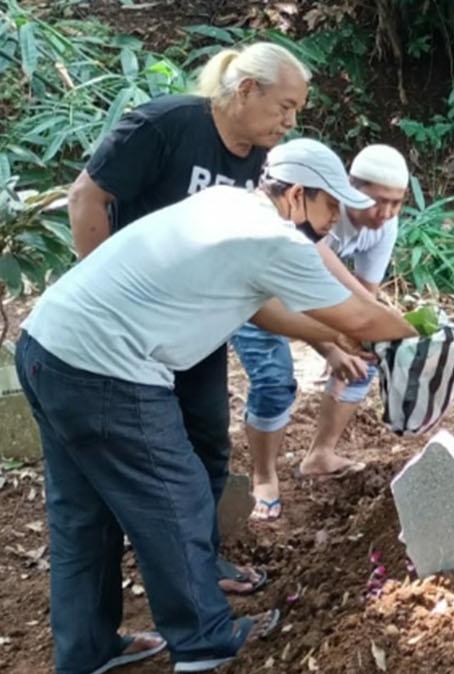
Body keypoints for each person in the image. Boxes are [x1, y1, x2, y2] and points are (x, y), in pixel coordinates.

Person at [17, 139, 417, 673]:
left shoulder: (225, 204)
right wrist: (422, 338)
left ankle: (87, 650)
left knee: (82, 516)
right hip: (107, 372)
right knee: (176, 501)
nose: (331, 222)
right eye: (328, 207)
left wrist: (334, 339)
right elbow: (365, 318)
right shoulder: (275, 239)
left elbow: (262, 311)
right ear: (297, 195)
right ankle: (205, 643)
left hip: (46, 346)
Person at [66, 41, 311, 596]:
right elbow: (86, 197)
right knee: (143, 452)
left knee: (206, 440)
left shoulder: (252, 160)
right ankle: (159, 566)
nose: (290, 122)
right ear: (247, 89)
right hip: (126, 331)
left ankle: (201, 559)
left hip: (194, 329)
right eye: (285, 106)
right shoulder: (167, 125)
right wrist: (104, 290)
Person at [231, 144, 409, 520]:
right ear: (348, 188)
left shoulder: (383, 225)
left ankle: (320, 454)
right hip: (258, 296)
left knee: (366, 359)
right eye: (378, 201)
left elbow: (364, 296)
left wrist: (361, 341)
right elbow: (291, 294)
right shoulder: (306, 215)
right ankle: (263, 478)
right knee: (275, 379)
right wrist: (331, 349)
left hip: (309, 296)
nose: (387, 214)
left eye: (397, 203)